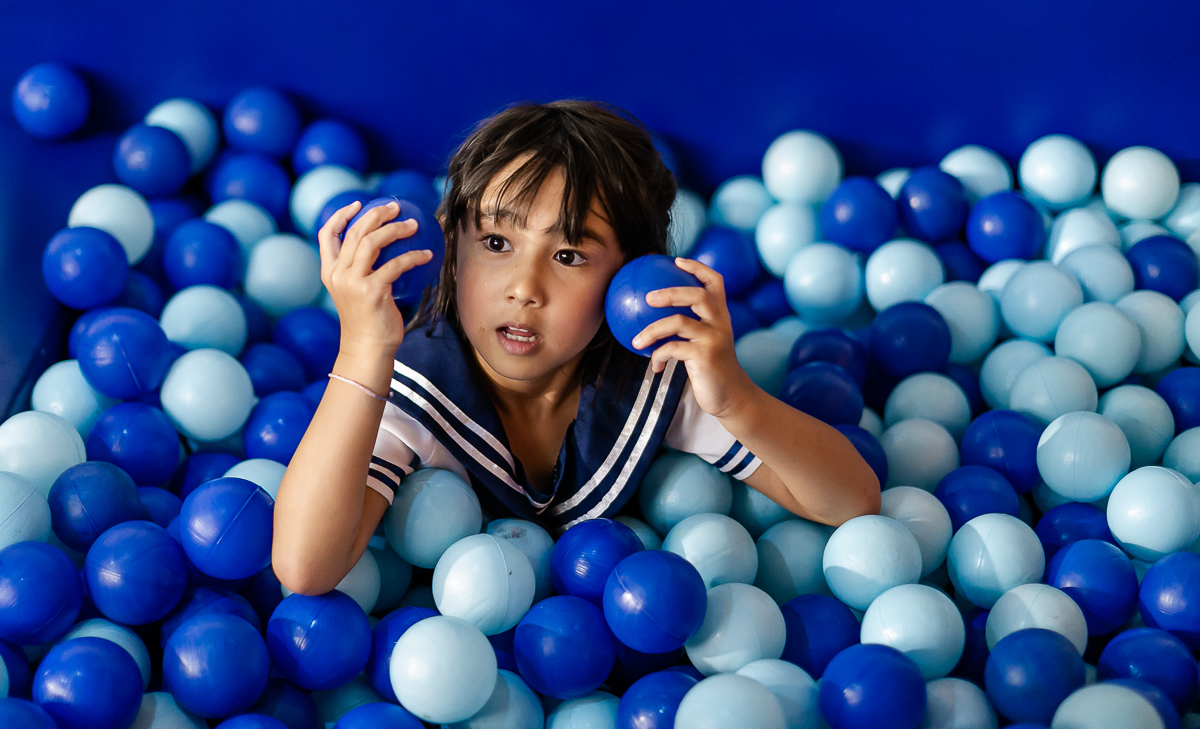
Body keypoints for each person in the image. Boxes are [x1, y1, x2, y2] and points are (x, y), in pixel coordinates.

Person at [272, 100, 880, 595]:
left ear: (631, 278)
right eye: (496, 243)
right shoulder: (416, 387)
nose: (524, 288)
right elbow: (304, 569)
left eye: (568, 256)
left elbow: (852, 502)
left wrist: (735, 401)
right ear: (451, 248)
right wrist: (362, 351)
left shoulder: (653, 371)